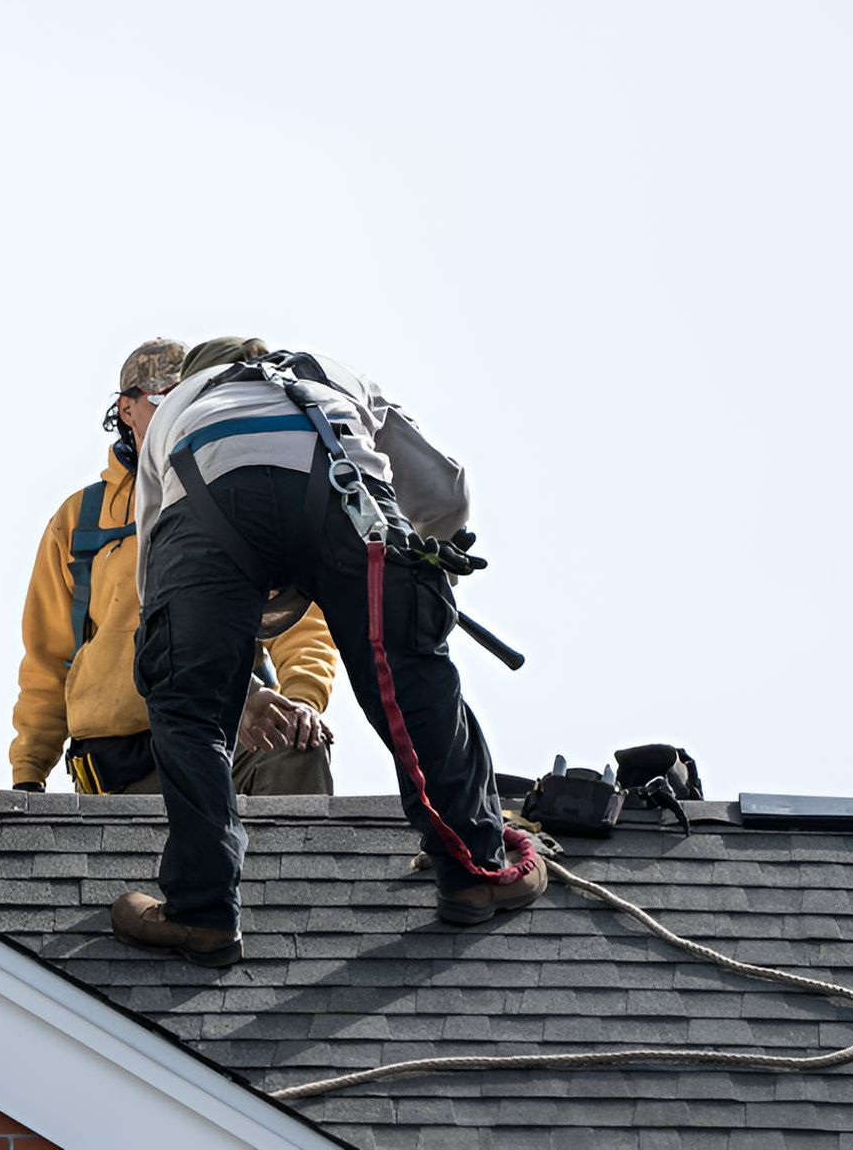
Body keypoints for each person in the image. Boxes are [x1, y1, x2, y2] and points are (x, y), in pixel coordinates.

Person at [110, 337, 545, 966]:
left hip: (206, 495)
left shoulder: (178, 407)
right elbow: (446, 491)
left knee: (187, 706)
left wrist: (192, 652)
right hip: (345, 491)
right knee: (409, 676)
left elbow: (158, 578)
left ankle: (201, 914)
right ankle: (475, 869)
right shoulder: (336, 375)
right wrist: (420, 581)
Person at [8, 339, 338, 797]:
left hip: (225, 730)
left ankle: (295, 870)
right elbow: (47, 659)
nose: (180, 412)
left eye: (194, 396)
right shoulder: (79, 519)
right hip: (121, 767)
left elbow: (298, 622)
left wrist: (302, 700)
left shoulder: (234, 498)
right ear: (127, 409)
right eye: (166, 399)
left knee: (296, 748)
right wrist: (29, 772)